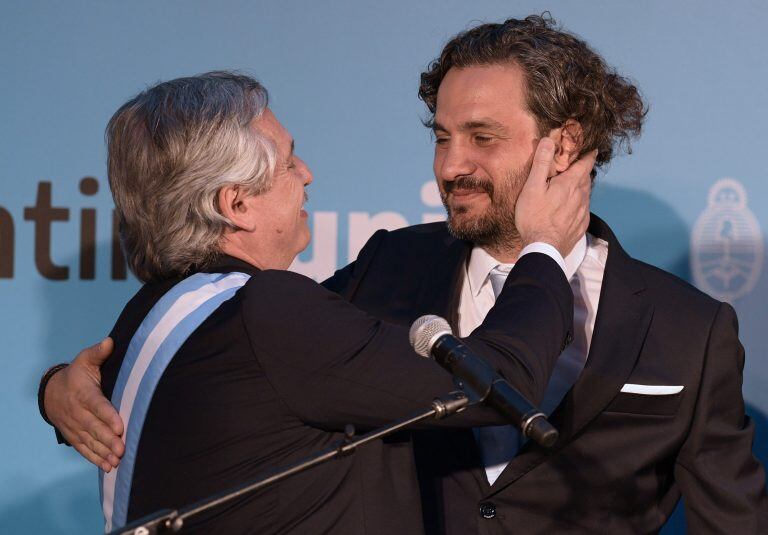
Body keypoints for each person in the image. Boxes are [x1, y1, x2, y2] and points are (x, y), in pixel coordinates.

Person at [41, 14, 768, 534]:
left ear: (564, 145)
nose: (450, 166)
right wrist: (61, 390)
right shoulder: (390, 267)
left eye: (482, 138)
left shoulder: (690, 330)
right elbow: (215, 363)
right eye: (443, 137)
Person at [39, 70, 593, 534]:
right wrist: (543, 249)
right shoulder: (267, 313)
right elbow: (498, 385)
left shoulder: (149, 315)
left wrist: (52, 390)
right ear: (236, 204)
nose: (307, 175)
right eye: (288, 161)